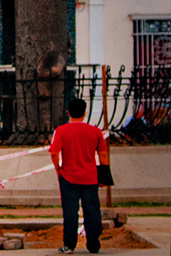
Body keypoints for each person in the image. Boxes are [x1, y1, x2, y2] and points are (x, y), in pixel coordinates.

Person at [50, 97, 111, 255]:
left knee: (70, 212)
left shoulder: (61, 131)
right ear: (85, 113)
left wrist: (58, 169)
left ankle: (69, 245)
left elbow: (54, 152)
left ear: (68, 113)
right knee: (92, 211)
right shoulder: (95, 131)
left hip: (68, 177)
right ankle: (93, 244)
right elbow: (103, 155)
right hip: (90, 177)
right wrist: (104, 175)